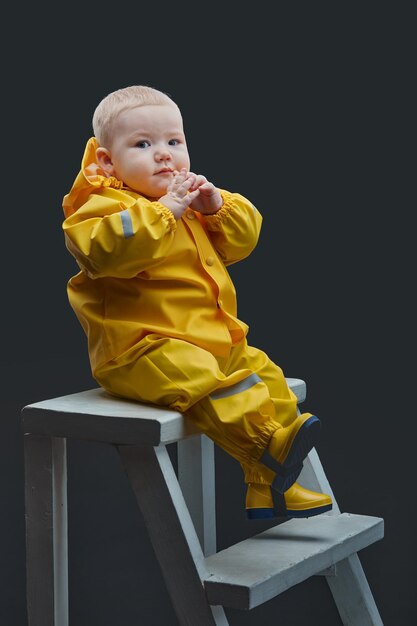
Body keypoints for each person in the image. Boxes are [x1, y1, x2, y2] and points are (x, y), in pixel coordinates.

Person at [62, 85, 332, 520]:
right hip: (141, 349)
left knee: (268, 378)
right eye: (143, 144)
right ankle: (267, 448)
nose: (164, 155)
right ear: (107, 161)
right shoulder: (99, 209)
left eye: (174, 141)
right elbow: (109, 250)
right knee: (207, 381)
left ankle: (269, 487)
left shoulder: (188, 203)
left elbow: (242, 243)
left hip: (210, 337)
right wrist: (167, 210)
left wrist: (217, 206)